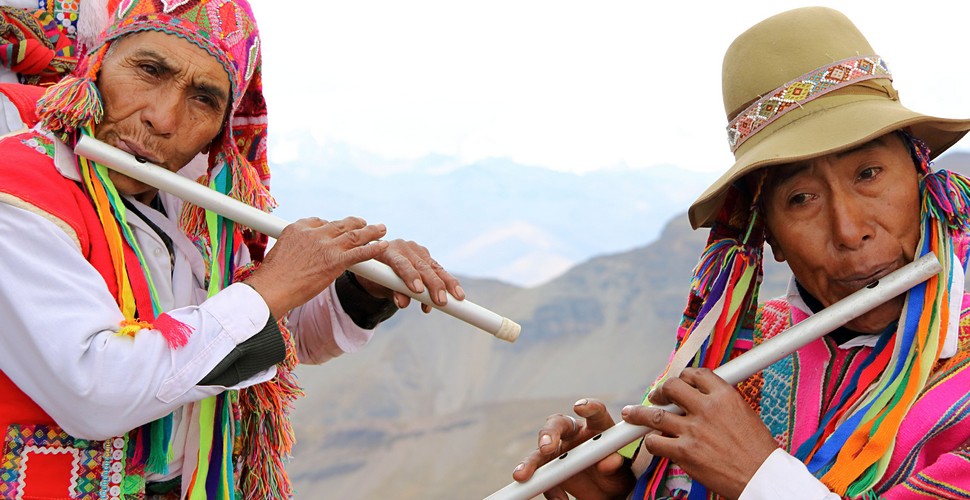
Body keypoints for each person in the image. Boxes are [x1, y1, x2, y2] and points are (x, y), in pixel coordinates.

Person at [0, 0, 464, 498]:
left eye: (203, 98)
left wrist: (358, 288)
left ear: (220, 129)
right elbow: (95, 389)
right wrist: (270, 286)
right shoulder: (17, 190)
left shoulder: (195, 209)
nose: (163, 118)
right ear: (96, 66)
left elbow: (270, 336)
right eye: (149, 70)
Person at [511, 7, 970, 499]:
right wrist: (622, 494)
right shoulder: (746, 361)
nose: (849, 230)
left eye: (869, 174)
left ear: (923, 175)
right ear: (765, 233)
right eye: (801, 198)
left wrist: (760, 479)